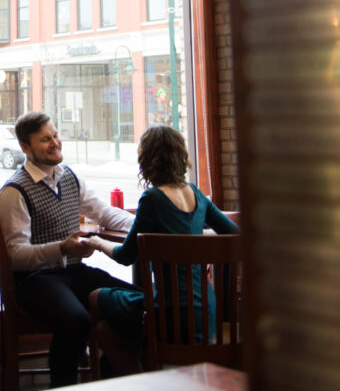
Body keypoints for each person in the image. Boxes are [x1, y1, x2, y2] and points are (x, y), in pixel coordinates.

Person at [0, 110, 133, 387]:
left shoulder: (69, 177)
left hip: (73, 272)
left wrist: (144, 224)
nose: (55, 142)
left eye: (55, 135)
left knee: (136, 302)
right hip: (34, 280)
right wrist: (62, 248)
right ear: (25, 148)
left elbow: (104, 213)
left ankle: (110, 379)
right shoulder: (13, 192)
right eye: (45, 139)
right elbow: (15, 257)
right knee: (75, 320)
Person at [87, 124, 239, 376]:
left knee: (94, 299)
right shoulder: (197, 195)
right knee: (106, 329)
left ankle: (140, 381)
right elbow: (233, 233)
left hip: (170, 312)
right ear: (181, 156)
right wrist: (197, 236)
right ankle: (147, 376)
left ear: (147, 160)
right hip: (206, 313)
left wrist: (97, 242)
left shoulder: (152, 199)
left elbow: (126, 256)